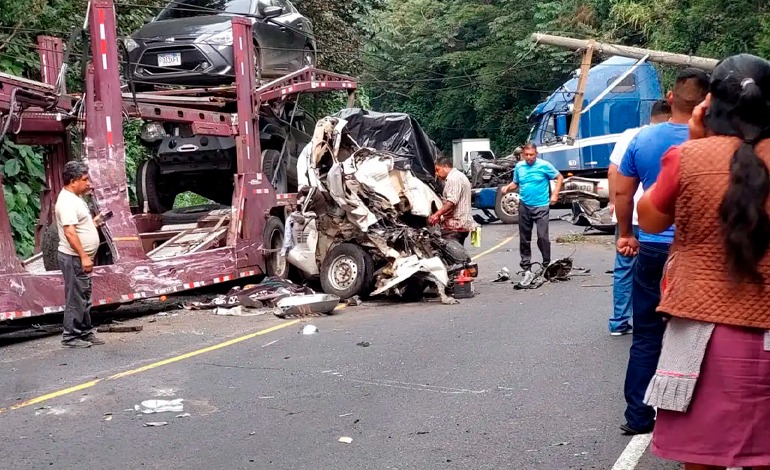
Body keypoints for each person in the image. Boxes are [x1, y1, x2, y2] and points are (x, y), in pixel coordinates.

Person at [637, 53, 770, 470]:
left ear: (709, 105)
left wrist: (696, 145)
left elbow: (651, 218)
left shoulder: (688, 158)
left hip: (702, 333)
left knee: (702, 458)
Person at [615, 68, 709, 435]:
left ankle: (638, 417)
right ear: (706, 101)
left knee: (647, 334)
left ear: (671, 97)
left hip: (653, 247)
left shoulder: (644, 138)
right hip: (697, 251)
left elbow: (623, 193)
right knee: (702, 334)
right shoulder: (716, 141)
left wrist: (626, 234)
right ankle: (697, 418)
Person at [607, 100, 672, 336]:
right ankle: (665, 318)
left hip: (628, 215)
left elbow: (613, 171)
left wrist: (614, 203)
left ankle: (619, 321)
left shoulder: (629, 136)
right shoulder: (677, 135)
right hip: (656, 217)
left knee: (624, 268)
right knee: (664, 268)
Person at [56, 161, 104, 348]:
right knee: (76, 297)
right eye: (85, 180)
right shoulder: (66, 202)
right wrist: (84, 256)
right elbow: (70, 233)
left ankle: (85, 331)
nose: (88, 183)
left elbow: (78, 226)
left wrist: (94, 223)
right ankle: (71, 336)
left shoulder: (75, 198)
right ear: (73, 181)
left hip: (80, 257)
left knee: (84, 295)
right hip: (74, 257)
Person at [502, 142, 563, 276]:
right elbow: (516, 183)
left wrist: (555, 194)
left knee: (542, 237)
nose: (529, 157)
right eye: (526, 155)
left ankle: (547, 263)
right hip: (524, 205)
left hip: (541, 205)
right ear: (523, 155)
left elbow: (559, 177)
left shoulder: (544, 165)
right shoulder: (519, 166)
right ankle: (526, 266)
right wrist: (507, 187)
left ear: (536, 154)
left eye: (532, 155)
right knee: (525, 238)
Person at [430, 156, 475, 245]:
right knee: (457, 251)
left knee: (449, 251)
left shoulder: (453, 179)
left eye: (437, 170)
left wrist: (437, 214)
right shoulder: (459, 176)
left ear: (446, 166)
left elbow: (451, 202)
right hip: (462, 223)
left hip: (455, 225)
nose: (436, 174)